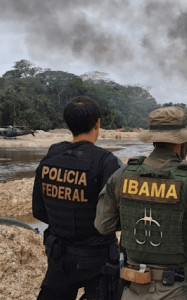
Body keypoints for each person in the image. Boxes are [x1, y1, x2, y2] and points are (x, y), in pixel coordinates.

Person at [94, 106, 187, 299]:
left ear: (153, 139)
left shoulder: (122, 175)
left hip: (131, 286)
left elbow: (103, 225)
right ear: (182, 142)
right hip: (175, 290)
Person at [32, 96, 122, 300]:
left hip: (58, 254)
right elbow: (117, 219)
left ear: (68, 124)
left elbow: (38, 210)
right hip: (98, 259)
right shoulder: (107, 162)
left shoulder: (51, 157)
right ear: (97, 123)